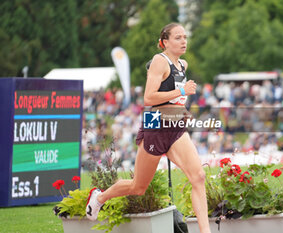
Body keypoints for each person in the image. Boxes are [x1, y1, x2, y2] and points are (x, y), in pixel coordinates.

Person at [86, 23, 211, 233]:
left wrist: (181, 108)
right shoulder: (158, 61)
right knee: (138, 186)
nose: (183, 41)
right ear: (165, 42)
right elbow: (149, 97)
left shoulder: (183, 64)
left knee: (198, 177)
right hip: (155, 123)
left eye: (185, 37)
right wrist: (181, 90)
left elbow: (174, 95)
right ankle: (100, 197)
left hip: (176, 126)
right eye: (178, 38)